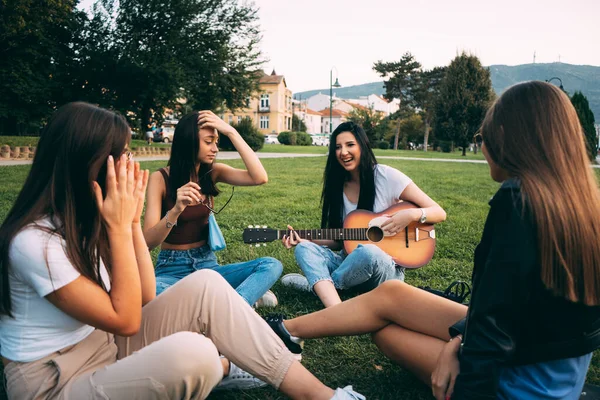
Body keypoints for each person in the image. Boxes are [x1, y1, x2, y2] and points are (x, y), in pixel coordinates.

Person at [0, 102, 365, 400]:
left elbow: (141, 297)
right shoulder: (35, 242)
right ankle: (227, 360)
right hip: (55, 382)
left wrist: (124, 224)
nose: (131, 166)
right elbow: (129, 317)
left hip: (109, 343)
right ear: (89, 163)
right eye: (122, 156)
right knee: (196, 353)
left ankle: (323, 396)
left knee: (208, 282)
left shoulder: (87, 220)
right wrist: (133, 222)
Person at [266, 81, 600, 399]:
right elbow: (508, 311)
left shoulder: (518, 200)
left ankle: (273, 334)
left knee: (385, 329)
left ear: (510, 138)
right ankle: (285, 329)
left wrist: (466, 377)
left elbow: (495, 318)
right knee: (391, 296)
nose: (482, 145)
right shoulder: (581, 202)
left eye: (484, 135)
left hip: (517, 384)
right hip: (551, 367)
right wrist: (457, 340)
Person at [280, 121, 446, 307]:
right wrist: (304, 238)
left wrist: (410, 215)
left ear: (363, 146)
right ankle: (336, 307)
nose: (343, 152)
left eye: (350, 145)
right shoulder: (336, 185)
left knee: (369, 252)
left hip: (385, 270)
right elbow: (338, 240)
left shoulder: (387, 176)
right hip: (348, 263)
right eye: (338, 147)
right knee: (304, 249)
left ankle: (319, 286)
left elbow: (439, 212)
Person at [143, 111, 281, 307]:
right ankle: (235, 299)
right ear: (189, 141)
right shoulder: (160, 179)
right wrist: (176, 210)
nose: (215, 148)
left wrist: (231, 131)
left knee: (271, 265)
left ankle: (229, 305)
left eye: (216, 141)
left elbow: (259, 177)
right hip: (171, 270)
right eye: (209, 142)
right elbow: (147, 242)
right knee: (151, 292)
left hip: (208, 266)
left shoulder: (213, 172)